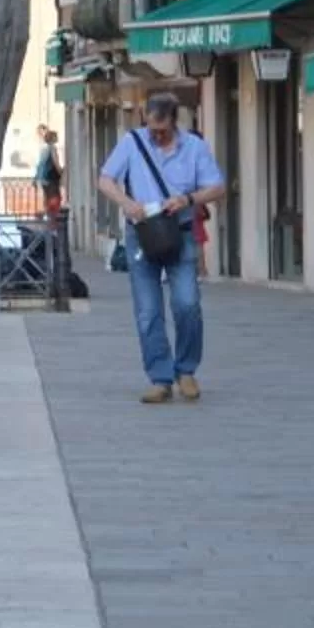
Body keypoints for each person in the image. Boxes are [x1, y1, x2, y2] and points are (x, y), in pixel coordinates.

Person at [96, 91, 224, 403]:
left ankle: (187, 371)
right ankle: (160, 377)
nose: (156, 135)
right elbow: (105, 179)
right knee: (148, 311)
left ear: (174, 120)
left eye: (162, 130)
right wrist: (127, 203)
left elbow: (217, 186)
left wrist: (187, 199)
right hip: (142, 234)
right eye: (151, 128)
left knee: (187, 304)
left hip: (179, 232)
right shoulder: (133, 142)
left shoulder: (194, 147)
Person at [33, 125, 66, 220]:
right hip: (51, 178)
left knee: (48, 199)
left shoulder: (44, 149)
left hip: (44, 179)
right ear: (53, 138)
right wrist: (61, 172)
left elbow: (40, 165)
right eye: (56, 136)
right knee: (55, 200)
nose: (57, 138)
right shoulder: (52, 148)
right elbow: (56, 163)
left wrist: (36, 179)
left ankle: (44, 216)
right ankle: (51, 220)